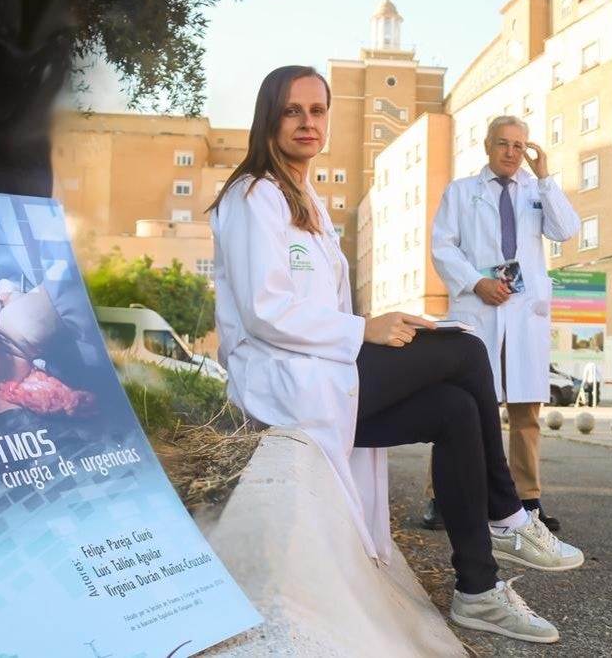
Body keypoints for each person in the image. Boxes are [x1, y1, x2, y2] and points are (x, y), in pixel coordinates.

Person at [208, 66, 583, 644]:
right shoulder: (253, 193)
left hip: (322, 371)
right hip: (280, 378)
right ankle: (509, 516)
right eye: (293, 111)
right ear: (270, 118)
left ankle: (478, 591)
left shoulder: (302, 194)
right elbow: (264, 310)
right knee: (465, 349)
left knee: (456, 410)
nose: (309, 123)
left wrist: (365, 332)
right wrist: (365, 330)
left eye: (318, 110)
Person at [428, 115, 580, 532]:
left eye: (520, 145)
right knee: (462, 407)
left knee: (526, 411)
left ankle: (527, 500)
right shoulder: (460, 193)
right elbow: (442, 246)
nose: (511, 152)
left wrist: (546, 176)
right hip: (479, 309)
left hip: (523, 312)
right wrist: (476, 282)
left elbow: (567, 230)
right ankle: (442, 497)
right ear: (487, 146)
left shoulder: (536, 191)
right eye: (503, 143)